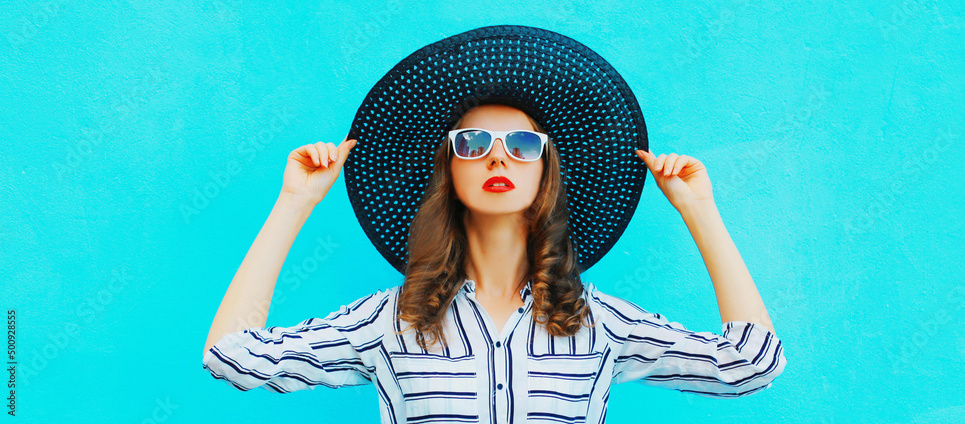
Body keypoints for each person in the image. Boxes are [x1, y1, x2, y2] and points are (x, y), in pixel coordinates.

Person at [202, 25, 786, 423]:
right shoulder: (388, 320)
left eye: (523, 143)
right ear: (447, 169)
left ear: (547, 171)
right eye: (474, 141)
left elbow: (752, 363)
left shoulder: (600, 322)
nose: (498, 156)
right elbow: (232, 356)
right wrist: (294, 203)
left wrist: (700, 211)